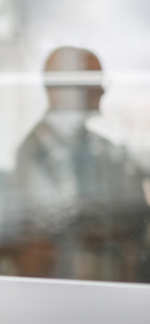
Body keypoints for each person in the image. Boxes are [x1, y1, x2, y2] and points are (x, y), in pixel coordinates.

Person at [12, 46, 147, 280]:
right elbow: (55, 222)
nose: (102, 90)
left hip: (106, 278)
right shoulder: (35, 153)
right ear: (61, 88)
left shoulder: (101, 147)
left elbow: (132, 208)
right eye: (92, 80)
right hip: (65, 282)